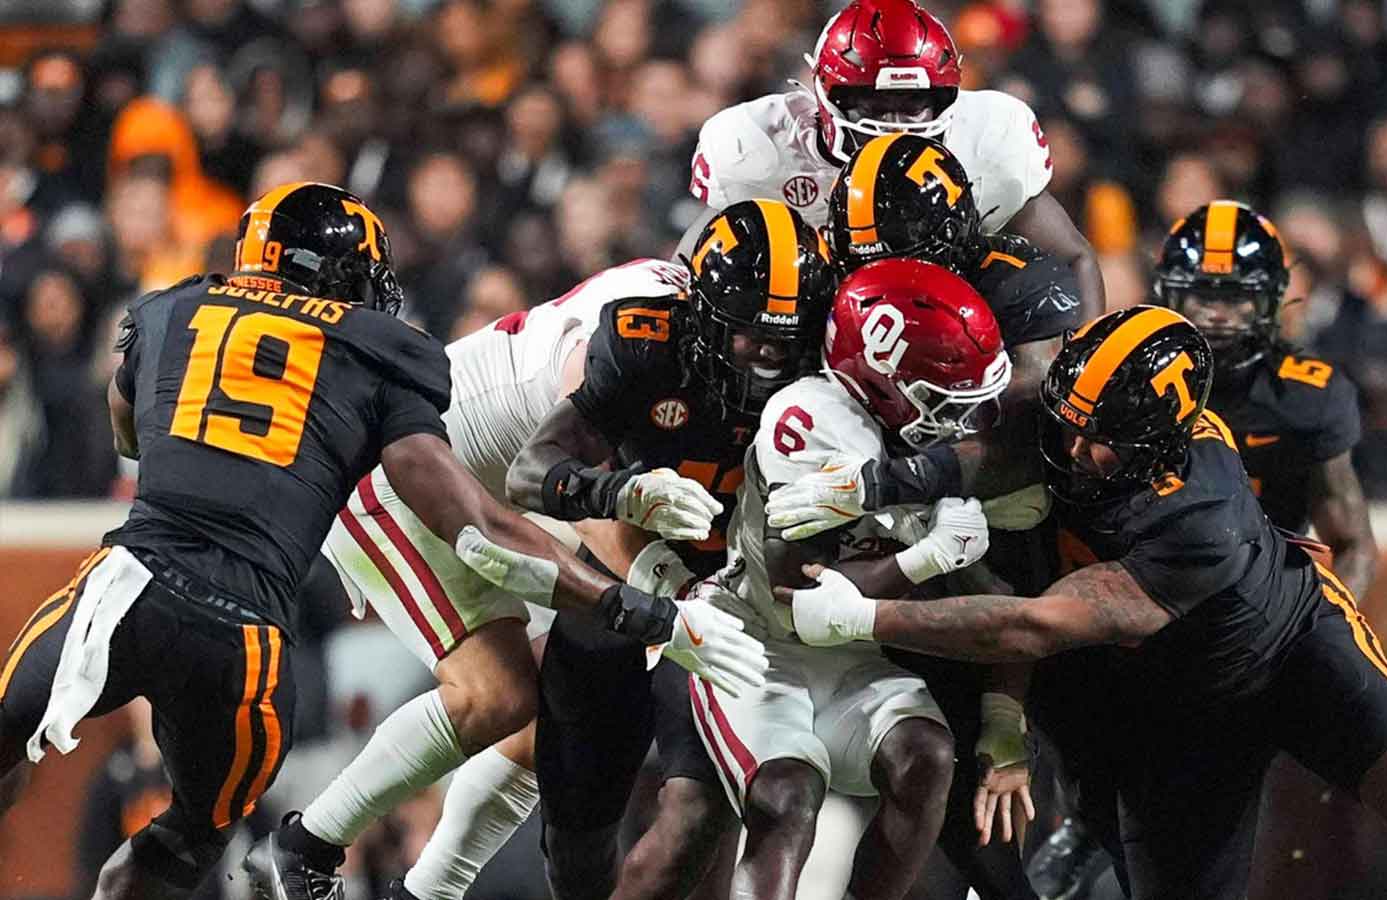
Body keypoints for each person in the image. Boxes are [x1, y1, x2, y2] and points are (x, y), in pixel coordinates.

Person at [0, 182, 717, 900]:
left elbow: (123, 425)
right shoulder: (379, 349)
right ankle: (311, 851)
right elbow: (473, 522)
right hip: (244, 636)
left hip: (129, 587)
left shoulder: (169, 306)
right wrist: (633, 608)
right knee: (186, 843)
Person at [784, 306, 1387, 900]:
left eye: (1101, 439)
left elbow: (1033, 624)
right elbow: (987, 456)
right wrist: (871, 484)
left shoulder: (1198, 518)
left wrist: (863, 616)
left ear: (1157, 448)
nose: (1074, 449)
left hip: (1290, 647)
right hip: (1171, 707)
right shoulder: (1070, 419)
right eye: (1069, 423)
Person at [245, 256, 767, 900]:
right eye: (748, 338)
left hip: (485, 493)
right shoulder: (626, 344)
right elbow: (570, 495)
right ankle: (305, 846)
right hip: (403, 477)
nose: (759, 360)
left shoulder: (672, 319)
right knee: (496, 692)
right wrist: (675, 594)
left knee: (542, 713)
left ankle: (425, 891)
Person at [502, 199, 838, 900]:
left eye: (789, 339)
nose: (772, 360)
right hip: (624, 593)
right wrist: (617, 494)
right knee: (577, 832)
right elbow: (530, 471)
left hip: (734, 606)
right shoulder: (647, 344)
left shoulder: (830, 367)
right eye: (752, 338)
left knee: (699, 814)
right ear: (706, 316)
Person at [694, 257, 1010, 900]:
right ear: (888, 384)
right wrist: (924, 559)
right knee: (786, 798)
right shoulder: (811, 419)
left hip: (853, 654)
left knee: (928, 754)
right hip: (756, 647)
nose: (958, 423)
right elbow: (799, 597)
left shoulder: (912, 436)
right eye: (943, 401)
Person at [822, 131, 1083, 900]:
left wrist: (899, 478)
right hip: (889, 539)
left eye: (897, 253)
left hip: (1005, 540)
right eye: (863, 255)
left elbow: (1033, 443)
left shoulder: (1017, 284)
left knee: (1010, 792)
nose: (880, 275)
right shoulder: (840, 290)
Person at [1150, 200, 1377, 900]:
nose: (1216, 317)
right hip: (1146, 600)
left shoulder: (1307, 397)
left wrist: (1318, 637)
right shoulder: (1129, 376)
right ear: (1167, 295)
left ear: (1275, 301)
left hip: (1265, 607)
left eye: (1235, 299)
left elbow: (1352, 543)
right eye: (1201, 297)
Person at [689, 0, 1106, 315]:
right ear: (827, 97)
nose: (892, 122)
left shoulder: (988, 141)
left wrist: (1081, 372)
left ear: (944, 99)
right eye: (873, 103)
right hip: (813, 335)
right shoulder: (760, 149)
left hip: (954, 333)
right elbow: (691, 273)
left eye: (911, 103)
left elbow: (1072, 259)